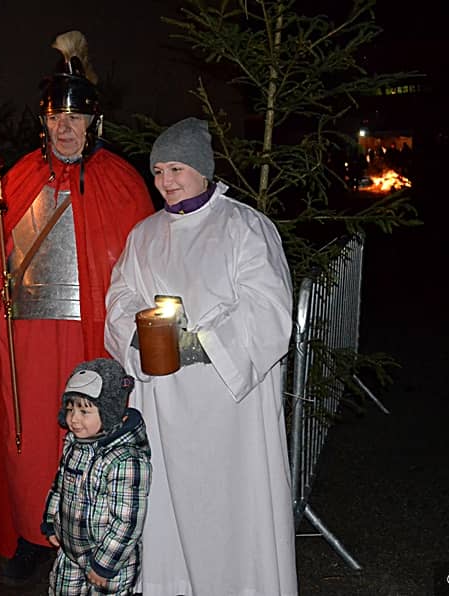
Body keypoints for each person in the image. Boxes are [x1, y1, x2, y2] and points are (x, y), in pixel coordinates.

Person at [0, 31, 153, 582]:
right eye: (55, 118)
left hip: (94, 337)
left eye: (75, 117)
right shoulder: (19, 178)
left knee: (93, 434)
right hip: (25, 340)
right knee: (27, 441)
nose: (64, 128)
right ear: (43, 122)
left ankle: (99, 543)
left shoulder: (122, 183)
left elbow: (148, 265)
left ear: (94, 121)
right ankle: (30, 534)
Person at [104, 117, 298, 595]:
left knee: (228, 508)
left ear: (203, 170)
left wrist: (202, 344)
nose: (165, 181)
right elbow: (120, 296)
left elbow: (269, 308)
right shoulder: (145, 234)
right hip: (164, 399)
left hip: (229, 409)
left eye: (176, 169)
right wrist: (140, 335)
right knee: (170, 510)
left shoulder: (244, 226)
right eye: (158, 171)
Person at [41, 358, 151, 595]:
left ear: (109, 413)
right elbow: (60, 487)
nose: (74, 419)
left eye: (84, 411)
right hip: (70, 552)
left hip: (109, 564)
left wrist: (104, 565)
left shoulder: (126, 460)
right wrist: (51, 522)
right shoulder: (75, 444)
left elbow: (127, 521)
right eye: (70, 409)